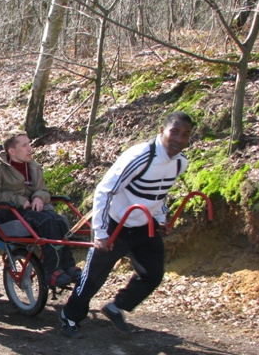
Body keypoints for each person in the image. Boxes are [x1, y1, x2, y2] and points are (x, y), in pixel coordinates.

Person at [60, 111, 195, 338]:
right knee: (94, 276)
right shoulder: (140, 157)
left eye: (185, 135)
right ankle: (70, 316)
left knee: (152, 273)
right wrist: (101, 232)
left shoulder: (180, 163)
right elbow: (105, 190)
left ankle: (116, 306)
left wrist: (161, 220)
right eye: (174, 132)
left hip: (144, 224)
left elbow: (160, 194)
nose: (179, 139)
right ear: (162, 131)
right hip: (116, 224)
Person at [0, 130, 82, 289]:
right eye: (25, 145)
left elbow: (43, 189)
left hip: (30, 212)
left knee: (59, 220)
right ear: (12, 151)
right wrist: (18, 200)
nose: (30, 149)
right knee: (47, 221)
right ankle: (51, 270)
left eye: (30, 144)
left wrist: (39, 197)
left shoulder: (33, 166)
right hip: (6, 213)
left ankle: (68, 266)